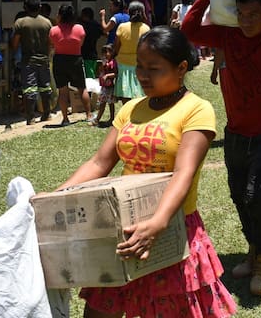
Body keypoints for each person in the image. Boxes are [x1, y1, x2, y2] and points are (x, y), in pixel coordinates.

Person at [52, 26, 237, 318]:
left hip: (172, 229)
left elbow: (183, 174)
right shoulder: (132, 109)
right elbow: (100, 163)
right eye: (140, 66)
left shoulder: (197, 110)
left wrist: (158, 223)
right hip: (122, 228)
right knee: (101, 310)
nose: (142, 75)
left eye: (154, 68)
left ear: (181, 68)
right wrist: (53, 197)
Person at [182, 0, 261, 296]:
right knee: (238, 195)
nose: (247, 21)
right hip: (235, 133)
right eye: (242, 13)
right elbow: (189, 31)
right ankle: (254, 249)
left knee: (258, 196)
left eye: (254, 14)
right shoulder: (227, 35)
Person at [11, 0, 53, 124]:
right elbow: (50, 43)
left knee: (29, 89)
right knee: (45, 87)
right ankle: (46, 114)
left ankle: (30, 117)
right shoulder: (47, 23)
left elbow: (14, 44)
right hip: (44, 59)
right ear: (40, 7)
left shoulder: (20, 23)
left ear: (25, 7)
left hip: (28, 60)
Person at [49, 4, 93, 125]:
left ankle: (65, 119)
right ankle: (89, 114)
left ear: (60, 15)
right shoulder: (79, 28)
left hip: (59, 60)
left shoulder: (54, 30)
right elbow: (81, 44)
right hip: (75, 59)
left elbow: (52, 44)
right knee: (81, 88)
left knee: (62, 91)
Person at [114, 1, 150, 103]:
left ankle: (126, 111)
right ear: (143, 13)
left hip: (123, 63)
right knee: (139, 90)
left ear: (129, 12)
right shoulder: (146, 28)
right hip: (140, 63)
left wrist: (113, 56)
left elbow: (116, 46)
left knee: (125, 91)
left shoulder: (122, 27)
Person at [91, 43, 118, 126]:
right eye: (104, 52)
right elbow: (100, 71)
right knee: (102, 103)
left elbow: (116, 73)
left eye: (108, 52)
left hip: (110, 87)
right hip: (104, 86)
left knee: (110, 103)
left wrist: (107, 75)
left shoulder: (113, 62)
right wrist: (102, 66)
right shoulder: (104, 62)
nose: (106, 54)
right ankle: (97, 119)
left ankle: (111, 118)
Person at [80, 7, 104, 79]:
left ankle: (91, 89)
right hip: (93, 53)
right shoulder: (96, 25)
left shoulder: (83, 26)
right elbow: (102, 33)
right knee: (91, 71)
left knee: (89, 75)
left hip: (85, 53)